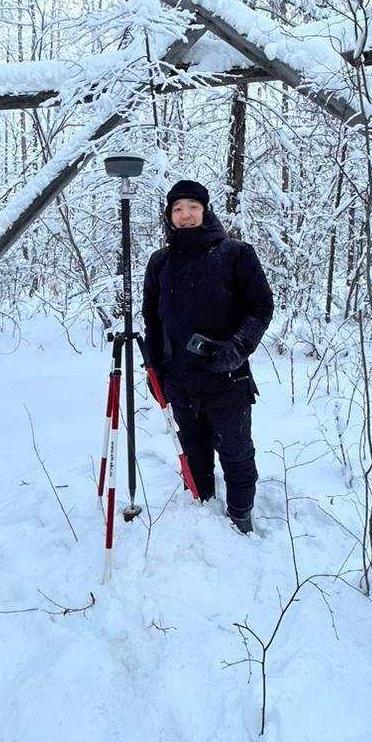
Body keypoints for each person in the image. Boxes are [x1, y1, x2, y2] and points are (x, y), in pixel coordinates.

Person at [141, 179, 274, 534]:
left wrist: (235, 349)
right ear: (169, 215)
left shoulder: (234, 254)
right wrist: (153, 368)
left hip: (227, 378)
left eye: (193, 208)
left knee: (236, 453)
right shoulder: (160, 262)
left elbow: (260, 307)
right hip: (179, 381)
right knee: (193, 451)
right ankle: (201, 513)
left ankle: (240, 517)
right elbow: (152, 319)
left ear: (205, 211)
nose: (185, 216)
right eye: (178, 209)